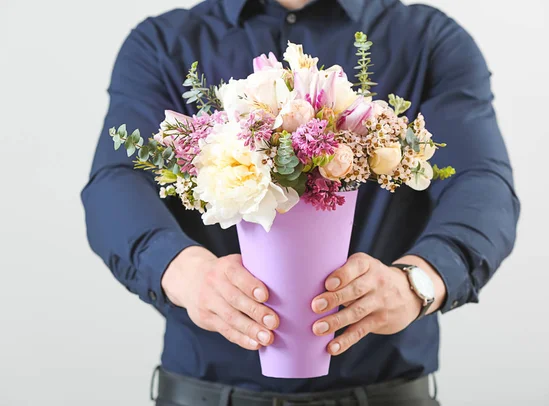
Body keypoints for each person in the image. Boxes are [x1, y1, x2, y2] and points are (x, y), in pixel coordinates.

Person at [82, 0, 520, 404]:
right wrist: (185, 272)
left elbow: (481, 185)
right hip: (207, 391)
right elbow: (116, 183)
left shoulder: (428, 40)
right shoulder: (164, 43)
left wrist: (417, 283)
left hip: (386, 391)